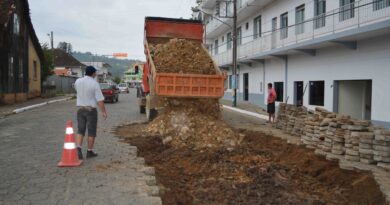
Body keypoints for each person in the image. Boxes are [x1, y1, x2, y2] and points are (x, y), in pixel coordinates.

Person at [74, 66, 108, 159]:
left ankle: (78, 150)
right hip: (91, 110)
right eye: (95, 73)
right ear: (93, 73)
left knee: (80, 130)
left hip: (80, 109)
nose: (96, 74)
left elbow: (77, 91)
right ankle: (89, 152)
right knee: (91, 131)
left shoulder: (78, 81)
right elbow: (100, 100)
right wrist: (104, 112)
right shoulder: (94, 84)